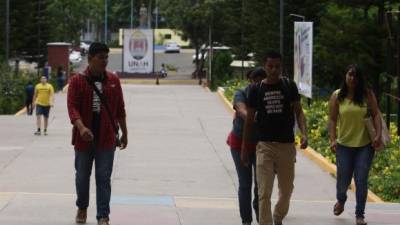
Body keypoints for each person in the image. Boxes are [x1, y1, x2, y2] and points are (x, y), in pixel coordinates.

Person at [241, 51, 308, 225]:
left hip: (286, 146)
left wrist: (304, 133)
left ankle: (278, 217)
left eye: (277, 66)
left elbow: (299, 112)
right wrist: (244, 149)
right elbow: (249, 121)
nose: (274, 69)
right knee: (264, 192)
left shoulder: (288, 86)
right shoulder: (256, 90)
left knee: (286, 190)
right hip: (264, 146)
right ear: (265, 66)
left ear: (281, 67)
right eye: (270, 66)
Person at [67, 42, 128, 225]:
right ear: (90, 58)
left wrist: (125, 133)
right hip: (83, 140)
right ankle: (82, 206)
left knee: (103, 178)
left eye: (106, 57)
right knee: (82, 176)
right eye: (101, 57)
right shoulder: (77, 81)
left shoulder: (113, 81)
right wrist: (81, 127)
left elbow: (120, 109)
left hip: (106, 139)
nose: (105, 61)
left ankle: (103, 216)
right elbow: (72, 107)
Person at [328, 64, 381, 225]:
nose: (352, 78)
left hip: (365, 145)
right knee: (343, 180)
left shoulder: (367, 95)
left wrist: (377, 135)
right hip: (344, 145)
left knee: (361, 179)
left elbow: (376, 114)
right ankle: (341, 200)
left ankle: (360, 215)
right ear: (345, 76)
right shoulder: (337, 96)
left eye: (355, 76)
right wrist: (332, 139)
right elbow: (332, 119)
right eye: (350, 75)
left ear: (360, 79)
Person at [227, 68, 267, 225]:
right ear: (250, 81)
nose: (257, 84)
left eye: (261, 80)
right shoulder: (241, 93)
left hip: (260, 146)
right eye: (254, 80)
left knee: (261, 186)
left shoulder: (268, 96)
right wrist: (256, 116)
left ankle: (260, 217)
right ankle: (246, 221)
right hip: (239, 145)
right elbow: (242, 110)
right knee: (245, 183)